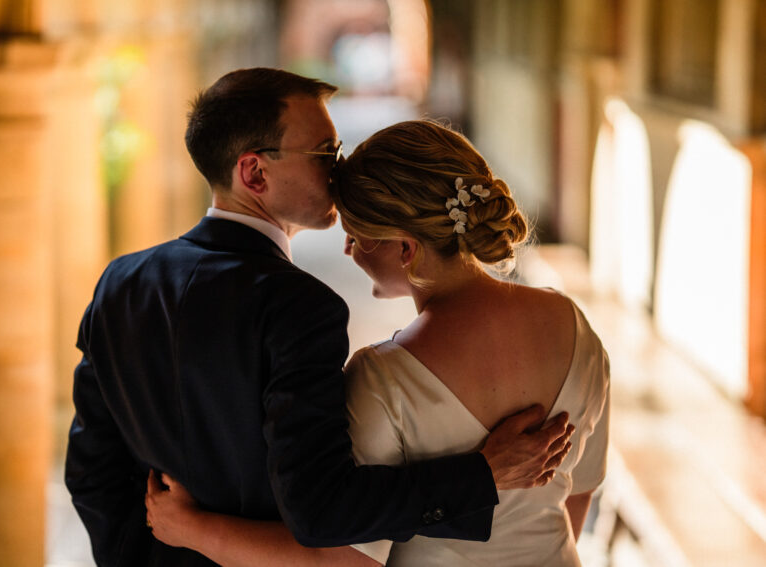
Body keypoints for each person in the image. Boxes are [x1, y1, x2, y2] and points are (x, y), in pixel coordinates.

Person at [66, 68, 574, 566]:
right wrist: (481, 475)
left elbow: (92, 471)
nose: (339, 168)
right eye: (324, 154)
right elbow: (322, 509)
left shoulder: (120, 282)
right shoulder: (300, 307)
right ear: (254, 173)